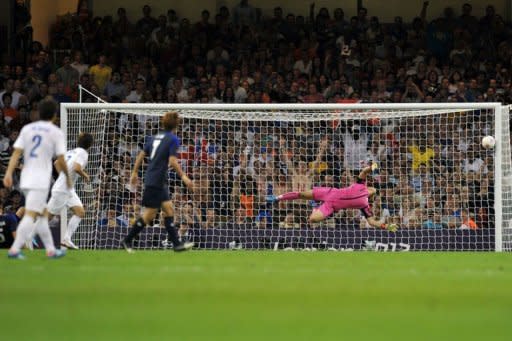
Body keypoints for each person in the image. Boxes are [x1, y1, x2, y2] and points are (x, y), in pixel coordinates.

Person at [3, 99, 71, 259]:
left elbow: (16, 154)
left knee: (41, 214)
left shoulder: (27, 128)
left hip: (26, 177)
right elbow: (61, 159)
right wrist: (67, 177)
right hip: (39, 178)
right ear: (54, 115)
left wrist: (8, 173)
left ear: (39, 113)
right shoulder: (55, 132)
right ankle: (15, 249)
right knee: (32, 214)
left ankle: (50, 250)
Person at [122, 112, 194, 252]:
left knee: (169, 210)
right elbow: (172, 161)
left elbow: (142, 154)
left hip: (156, 179)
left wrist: (135, 172)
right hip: (156, 180)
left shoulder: (154, 137)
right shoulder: (173, 139)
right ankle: (127, 240)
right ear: (177, 125)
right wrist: (184, 176)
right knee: (150, 215)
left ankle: (177, 244)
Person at [267, 163, 398, 231]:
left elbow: (371, 222)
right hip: (329, 192)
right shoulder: (361, 184)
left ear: (372, 194)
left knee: (312, 219)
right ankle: (278, 197)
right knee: (301, 194)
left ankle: (312, 217)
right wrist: (374, 166)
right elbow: (364, 171)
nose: (372, 190)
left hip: (331, 206)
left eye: (374, 191)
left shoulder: (365, 205)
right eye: (373, 188)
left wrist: (385, 226)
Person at [47, 132, 94, 250]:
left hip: (68, 189)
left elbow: (56, 163)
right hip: (62, 189)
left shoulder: (71, 151)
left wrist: (63, 176)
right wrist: (85, 176)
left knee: (80, 212)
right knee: (47, 217)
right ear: (90, 145)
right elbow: (77, 168)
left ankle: (67, 239)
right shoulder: (83, 153)